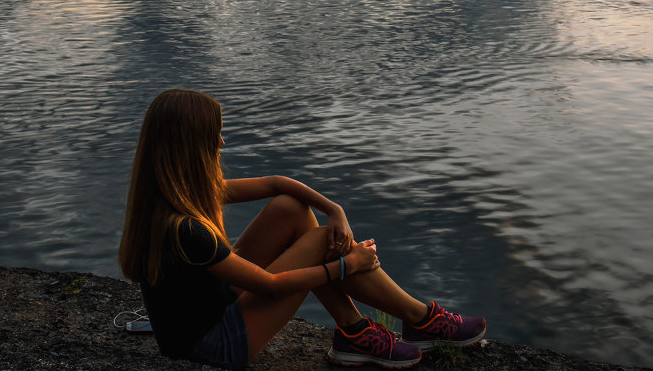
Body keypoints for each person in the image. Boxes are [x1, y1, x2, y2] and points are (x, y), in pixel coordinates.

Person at [119, 89, 486, 369]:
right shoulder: (185, 230)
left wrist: (334, 209)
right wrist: (347, 265)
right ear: (190, 147)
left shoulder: (170, 198)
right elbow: (269, 286)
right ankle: (421, 320)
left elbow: (276, 183)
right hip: (216, 343)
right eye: (214, 135)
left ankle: (357, 330)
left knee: (290, 209)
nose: (221, 142)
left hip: (210, 308)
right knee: (316, 242)